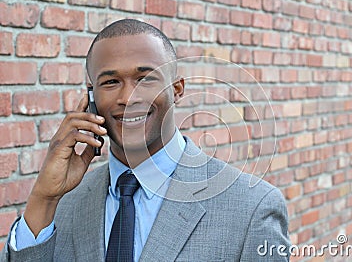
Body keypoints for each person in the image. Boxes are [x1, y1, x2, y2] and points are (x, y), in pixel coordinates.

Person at [0, 19, 290, 261]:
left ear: (176, 89)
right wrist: (43, 198)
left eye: (146, 78)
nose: (128, 98)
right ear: (90, 96)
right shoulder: (62, 202)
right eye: (111, 82)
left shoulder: (253, 208)